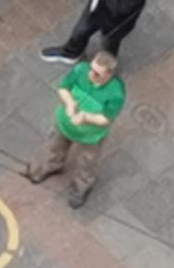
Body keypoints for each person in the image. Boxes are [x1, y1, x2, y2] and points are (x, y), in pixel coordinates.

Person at [27, 51, 127, 209]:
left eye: (97, 73)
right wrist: (69, 103)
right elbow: (63, 88)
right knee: (53, 147)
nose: (91, 74)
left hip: (90, 136)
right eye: (91, 69)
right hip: (64, 123)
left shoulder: (116, 92)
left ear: (109, 74)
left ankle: (82, 187)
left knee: (85, 163)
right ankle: (49, 166)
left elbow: (107, 118)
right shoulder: (81, 70)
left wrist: (85, 118)